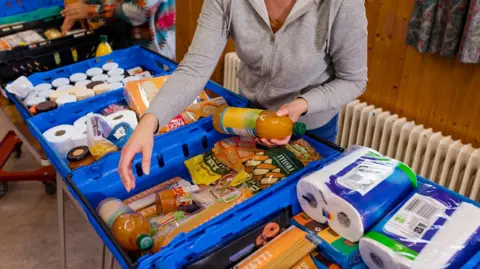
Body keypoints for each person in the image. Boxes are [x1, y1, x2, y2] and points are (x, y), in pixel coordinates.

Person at [119, 0, 368, 191]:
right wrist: (150, 121)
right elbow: (195, 68)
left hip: (312, 128)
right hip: (250, 116)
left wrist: (303, 104)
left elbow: (353, 80)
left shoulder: (341, 4)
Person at [61, 0, 176, 59]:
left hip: (155, 47)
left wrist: (93, 10)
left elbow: (142, 10)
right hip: (126, 42)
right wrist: (83, 5)